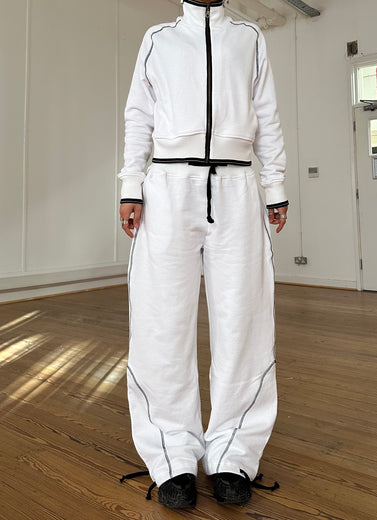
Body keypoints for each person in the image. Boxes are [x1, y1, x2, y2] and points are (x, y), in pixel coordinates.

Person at [117, 0, 288, 510]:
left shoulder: (249, 37)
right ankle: (171, 455)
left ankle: (234, 453)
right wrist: (130, 184)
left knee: (244, 320)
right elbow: (139, 114)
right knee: (161, 321)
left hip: (237, 186)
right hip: (168, 186)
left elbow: (266, 112)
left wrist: (275, 184)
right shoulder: (159, 38)